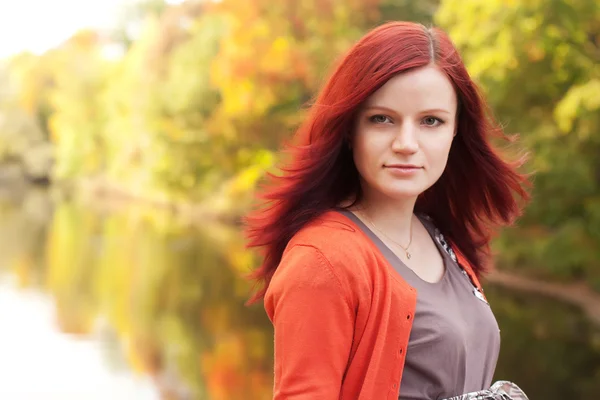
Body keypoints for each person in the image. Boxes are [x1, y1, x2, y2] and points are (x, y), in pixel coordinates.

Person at [244, 21, 531, 400]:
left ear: (456, 131)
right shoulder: (322, 261)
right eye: (382, 119)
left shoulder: (440, 237)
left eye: (431, 121)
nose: (406, 144)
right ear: (349, 130)